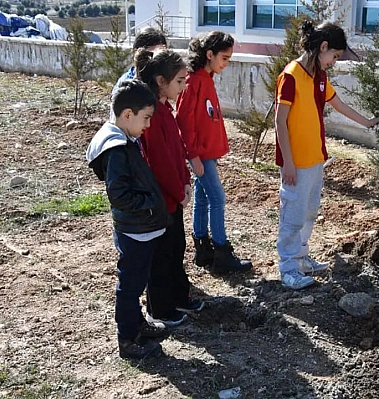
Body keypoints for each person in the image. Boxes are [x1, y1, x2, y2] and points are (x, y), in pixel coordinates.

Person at [275, 21, 379, 290]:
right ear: (323, 47)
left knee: (309, 212)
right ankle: (288, 268)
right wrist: (287, 161)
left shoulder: (319, 76)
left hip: (316, 158)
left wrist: (367, 122)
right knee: (293, 215)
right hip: (296, 162)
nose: (334, 62)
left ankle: (301, 257)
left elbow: (338, 104)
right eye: (334, 56)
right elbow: (280, 121)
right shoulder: (291, 75)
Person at [86, 80, 172, 359]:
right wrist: (150, 205)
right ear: (127, 115)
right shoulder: (117, 149)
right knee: (130, 286)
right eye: (145, 118)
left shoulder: (125, 140)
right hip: (135, 229)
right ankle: (127, 339)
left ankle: (137, 324)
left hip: (140, 229)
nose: (147, 125)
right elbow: (119, 195)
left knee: (137, 280)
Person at [134, 48, 204, 327]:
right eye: (179, 81)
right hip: (162, 199)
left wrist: (185, 183)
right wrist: (179, 190)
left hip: (174, 197)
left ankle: (178, 296)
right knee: (162, 255)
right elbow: (161, 161)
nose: (184, 86)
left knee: (176, 248)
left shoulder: (166, 110)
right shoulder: (153, 115)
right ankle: (159, 308)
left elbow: (177, 153)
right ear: (161, 81)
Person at [176, 31, 253, 274]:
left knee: (203, 196)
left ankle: (203, 248)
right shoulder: (194, 81)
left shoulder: (206, 78)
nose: (227, 63)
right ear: (209, 54)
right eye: (224, 58)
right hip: (201, 154)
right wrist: (194, 155)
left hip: (207, 152)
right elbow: (184, 121)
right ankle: (221, 250)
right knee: (218, 199)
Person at [111, 27, 168, 101]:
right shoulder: (127, 85)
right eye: (151, 55)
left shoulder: (161, 80)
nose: (158, 60)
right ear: (137, 53)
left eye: (163, 54)